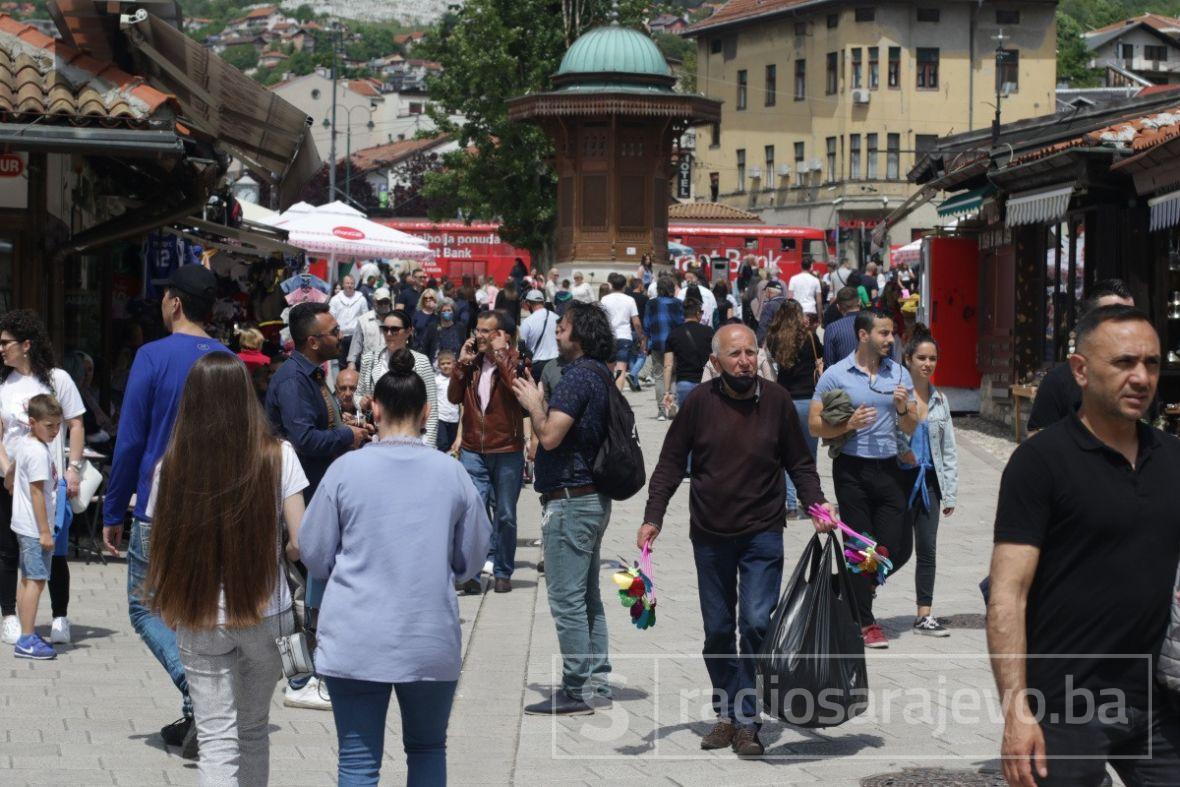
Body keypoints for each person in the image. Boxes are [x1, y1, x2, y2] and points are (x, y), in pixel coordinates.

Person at [988, 305, 1180, 787]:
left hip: (1160, 703)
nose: (1141, 377)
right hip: (1065, 705)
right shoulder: (1041, 462)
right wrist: (1017, 713)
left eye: (1152, 363)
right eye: (1124, 363)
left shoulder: (1172, 458)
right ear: (1080, 370)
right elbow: (1007, 593)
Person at [300, 348, 491, 786]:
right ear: (427, 412)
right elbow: (471, 561)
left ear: (375, 407)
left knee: (357, 762)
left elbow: (313, 552)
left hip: (355, 636)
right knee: (427, 749)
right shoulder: (452, 473)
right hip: (427, 637)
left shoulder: (345, 471)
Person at [639, 324, 831, 755]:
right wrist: (654, 517)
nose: (744, 360)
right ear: (715, 362)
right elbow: (670, 464)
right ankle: (726, 711)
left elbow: (801, 463)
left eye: (750, 352)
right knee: (719, 629)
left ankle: (747, 719)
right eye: (735, 354)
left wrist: (817, 504)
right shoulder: (698, 405)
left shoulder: (778, 401)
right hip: (710, 534)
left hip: (763, 530)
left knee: (757, 624)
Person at [145, 352, 307, 786]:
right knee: (252, 730)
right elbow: (301, 542)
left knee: (216, 736)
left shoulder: (170, 467)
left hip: (199, 613)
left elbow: (159, 543)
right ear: (245, 396)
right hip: (264, 610)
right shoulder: (278, 456)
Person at [103, 265, 227, 755]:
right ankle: (196, 713)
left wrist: (113, 509)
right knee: (194, 610)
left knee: (146, 607)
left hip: (162, 506)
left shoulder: (152, 356)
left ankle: (200, 700)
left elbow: (130, 439)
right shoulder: (229, 360)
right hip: (216, 506)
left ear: (174, 302)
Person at [513, 302, 615, 716]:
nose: (556, 332)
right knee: (587, 595)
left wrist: (534, 402)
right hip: (590, 497)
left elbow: (550, 437)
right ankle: (597, 676)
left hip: (571, 502)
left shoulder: (575, 379)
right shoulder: (600, 373)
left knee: (566, 599)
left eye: (563, 326)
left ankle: (576, 689)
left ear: (580, 334)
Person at [266, 301, 368, 712]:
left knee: (314, 585)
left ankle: (316, 667)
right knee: (298, 590)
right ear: (312, 341)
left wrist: (346, 429)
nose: (340, 336)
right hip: (297, 502)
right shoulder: (293, 381)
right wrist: (349, 437)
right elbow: (304, 441)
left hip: (316, 496)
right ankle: (300, 676)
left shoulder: (313, 373)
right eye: (333, 331)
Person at [809, 310, 920, 649]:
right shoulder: (835, 375)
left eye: (891, 334)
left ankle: (841, 586)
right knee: (862, 548)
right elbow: (815, 425)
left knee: (897, 548)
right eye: (884, 333)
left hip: (888, 469)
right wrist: (848, 425)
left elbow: (912, 425)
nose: (890, 339)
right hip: (851, 471)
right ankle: (865, 622)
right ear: (863, 335)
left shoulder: (898, 373)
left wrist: (903, 408)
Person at [0, 311, 86, 649]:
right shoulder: (3, 385)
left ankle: (60, 615)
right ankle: (10, 616)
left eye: (6, 343)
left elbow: (76, 423)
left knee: (55, 549)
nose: (1, 349)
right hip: (11, 481)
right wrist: (6, 466)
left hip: (50, 480)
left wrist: (73, 469)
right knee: (9, 551)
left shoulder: (56, 379)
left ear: (26, 344)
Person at [449, 311, 525, 593]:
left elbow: (516, 389)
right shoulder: (472, 364)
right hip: (473, 449)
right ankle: (472, 571)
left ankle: (503, 570)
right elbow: (453, 397)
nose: (478, 336)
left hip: (506, 448)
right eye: (477, 330)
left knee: (505, 513)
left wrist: (501, 355)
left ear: (500, 335)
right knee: (473, 510)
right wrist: (461, 364)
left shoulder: (515, 360)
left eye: (486, 331)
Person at [896, 326, 958, 637]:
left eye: (932, 358)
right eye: (921, 357)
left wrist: (950, 493)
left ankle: (924, 614)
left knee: (928, 548)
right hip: (897, 481)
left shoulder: (940, 400)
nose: (927, 363)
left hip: (929, 483)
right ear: (907, 359)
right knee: (890, 547)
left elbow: (948, 448)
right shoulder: (896, 396)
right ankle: (862, 606)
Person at [1027, 279, 1135, 432]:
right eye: (1114, 317)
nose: (1125, 326)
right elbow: (1038, 447)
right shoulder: (1058, 382)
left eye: (1131, 317)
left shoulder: (1140, 379)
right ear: (1089, 322)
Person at [9, 394, 62, 660]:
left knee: (28, 579)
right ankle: (27, 639)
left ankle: (26, 633)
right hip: (33, 529)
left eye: (58, 426)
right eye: (50, 425)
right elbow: (38, 493)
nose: (55, 431)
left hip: (24, 525)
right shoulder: (39, 452)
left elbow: (13, 472)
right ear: (32, 422)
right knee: (36, 581)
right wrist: (44, 531)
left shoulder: (26, 443)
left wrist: (9, 482)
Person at [765, 300, 821, 517]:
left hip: (785, 400)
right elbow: (820, 357)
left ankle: (789, 504)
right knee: (809, 455)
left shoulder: (773, 338)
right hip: (809, 400)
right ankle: (810, 502)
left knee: (786, 454)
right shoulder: (809, 336)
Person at [358, 310, 438, 449]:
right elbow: (358, 394)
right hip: (377, 438)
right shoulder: (369, 359)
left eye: (394, 329)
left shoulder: (422, 361)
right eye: (385, 329)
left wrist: (427, 446)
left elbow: (431, 406)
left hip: (412, 439)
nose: (388, 334)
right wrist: (361, 401)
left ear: (408, 332)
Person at [643, 275, 684, 421]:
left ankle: (661, 411)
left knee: (659, 377)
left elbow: (646, 326)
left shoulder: (651, 304)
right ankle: (671, 408)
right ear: (672, 289)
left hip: (657, 344)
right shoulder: (679, 303)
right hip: (675, 344)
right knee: (673, 375)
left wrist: (644, 344)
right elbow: (681, 323)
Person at [662, 299, 714, 413]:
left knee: (687, 421)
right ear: (697, 313)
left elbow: (668, 365)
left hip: (683, 383)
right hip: (705, 382)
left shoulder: (674, 334)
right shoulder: (709, 332)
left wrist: (667, 392)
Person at [599, 273, 645, 392]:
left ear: (611, 285)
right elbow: (636, 322)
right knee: (621, 368)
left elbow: (600, 319)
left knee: (609, 368)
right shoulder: (629, 300)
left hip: (609, 336)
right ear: (624, 286)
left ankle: (609, 394)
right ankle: (618, 396)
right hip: (625, 336)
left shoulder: (604, 299)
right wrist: (641, 337)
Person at [345, 287, 394, 370]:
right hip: (369, 368)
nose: (383, 305)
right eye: (380, 302)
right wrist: (351, 363)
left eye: (386, 302)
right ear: (374, 302)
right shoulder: (363, 320)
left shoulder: (397, 320)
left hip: (390, 367)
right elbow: (356, 343)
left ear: (389, 302)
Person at [329, 275, 368, 369]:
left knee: (356, 364)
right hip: (340, 336)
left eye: (351, 283)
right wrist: (336, 331)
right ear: (343, 284)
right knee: (341, 364)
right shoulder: (335, 299)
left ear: (354, 285)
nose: (349, 285)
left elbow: (365, 317)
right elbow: (330, 317)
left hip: (356, 336)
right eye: (347, 283)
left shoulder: (361, 299)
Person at [520, 289, 558, 382]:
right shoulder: (557, 318)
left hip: (539, 365)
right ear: (543, 302)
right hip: (558, 363)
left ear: (528, 303)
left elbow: (521, 346)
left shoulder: (527, 322)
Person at [822, 286, 863, 367]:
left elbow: (829, 363)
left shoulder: (832, 328)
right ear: (860, 302)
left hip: (843, 378)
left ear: (838, 307)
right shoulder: (875, 322)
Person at [788, 259, 823, 323]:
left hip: (797, 310)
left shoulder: (793, 279)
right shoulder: (816, 280)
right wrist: (820, 316)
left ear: (801, 266)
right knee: (810, 331)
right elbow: (819, 300)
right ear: (810, 267)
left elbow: (790, 297)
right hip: (811, 310)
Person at [412, 288, 440, 361]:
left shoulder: (438, 314)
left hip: (435, 348)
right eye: (425, 298)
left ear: (435, 299)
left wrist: (436, 308)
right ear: (422, 300)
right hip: (419, 349)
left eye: (431, 297)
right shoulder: (417, 314)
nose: (428, 300)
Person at [755, 280, 785, 344]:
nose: (765, 293)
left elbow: (763, 326)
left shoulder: (769, 306)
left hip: (774, 343)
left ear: (768, 290)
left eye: (765, 290)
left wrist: (758, 343)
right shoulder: (788, 303)